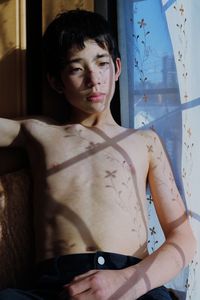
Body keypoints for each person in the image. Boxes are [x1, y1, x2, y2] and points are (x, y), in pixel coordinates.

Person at [0, 9, 196, 300]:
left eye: (101, 63)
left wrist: (129, 282)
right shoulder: (40, 132)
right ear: (56, 81)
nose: (94, 79)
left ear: (117, 68)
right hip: (56, 286)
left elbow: (184, 240)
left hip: (132, 281)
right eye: (77, 69)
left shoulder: (145, 142)